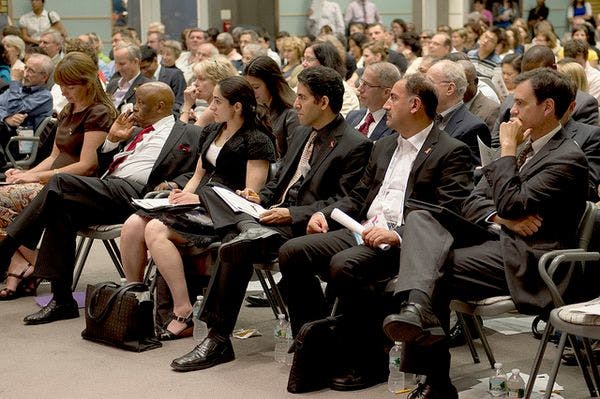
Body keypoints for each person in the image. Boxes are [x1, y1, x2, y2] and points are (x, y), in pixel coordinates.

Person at [383, 67, 589, 399]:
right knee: (422, 215)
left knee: (435, 268)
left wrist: (506, 152)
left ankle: (433, 376)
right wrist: (501, 217)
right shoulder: (526, 146)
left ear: (548, 107)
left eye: (521, 104)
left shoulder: (567, 158)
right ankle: (417, 311)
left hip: (533, 260)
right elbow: (473, 199)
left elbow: (511, 202)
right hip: (500, 239)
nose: (513, 111)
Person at [169, 66, 372, 372]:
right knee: (213, 191)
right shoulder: (303, 132)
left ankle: (217, 338)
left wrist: (292, 213)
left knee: (234, 245)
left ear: (324, 102)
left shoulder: (354, 144)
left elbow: (344, 203)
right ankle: (248, 228)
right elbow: (281, 183)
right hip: (268, 216)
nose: (296, 104)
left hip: (303, 226)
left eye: (302, 98)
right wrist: (257, 197)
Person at [278, 73, 474, 391]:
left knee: (345, 264)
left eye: (393, 98)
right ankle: (320, 342)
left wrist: (398, 234)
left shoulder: (450, 151)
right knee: (293, 250)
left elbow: (447, 213)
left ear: (415, 104)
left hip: (404, 241)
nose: (386, 103)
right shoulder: (383, 145)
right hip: (363, 228)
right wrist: (324, 215)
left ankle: (370, 360)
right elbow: (358, 197)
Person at [0, 81, 204, 324]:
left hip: (139, 194)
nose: (134, 108)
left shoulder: (189, 132)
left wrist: (173, 184)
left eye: (140, 103)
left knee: (61, 182)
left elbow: (198, 171)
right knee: (60, 208)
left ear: (160, 105)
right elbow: (104, 167)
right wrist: (112, 140)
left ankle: (6, 248)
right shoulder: (134, 130)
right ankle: (62, 299)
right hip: (109, 189)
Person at [120, 76, 276, 339]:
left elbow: (250, 196)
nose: (210, 106)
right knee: (133, 224)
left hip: (227, 212)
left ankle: (184, 310)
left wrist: (199, 199)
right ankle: (137, 300)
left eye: (217, 101)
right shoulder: (212, 131)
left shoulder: (256, 140)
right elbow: (197, 176)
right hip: (199, 203)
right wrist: (182, 196)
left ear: (237, 106)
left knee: (156, 230)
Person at [0, 52, 117, 300]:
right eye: (61, 85)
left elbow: (87, 166)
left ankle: (25, 263)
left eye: (69, 86)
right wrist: (25, 173)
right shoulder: (69, 110)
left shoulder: (98, 113)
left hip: (74, 187)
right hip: (52, 179)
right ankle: (21, 264)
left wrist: (34, 178)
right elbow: (54, 155)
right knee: (6, 192)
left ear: (87, 83)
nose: (63, 91)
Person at [426, 59, 490, 164]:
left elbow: (466, 176)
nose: (424, 87)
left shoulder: (473, 128)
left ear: (450, 89)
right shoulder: (426, 115)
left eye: (429, 82)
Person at [243, 56, 299, 158]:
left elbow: (293, 158)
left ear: (272, 84)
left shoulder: (292, 113)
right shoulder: (257, 108)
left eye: (256, 87)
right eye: (249, 87)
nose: (251, 92)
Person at [0, 53, 53, 150]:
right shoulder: (20, 88)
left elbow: (14, 109)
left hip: (19, 144)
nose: (25, 74)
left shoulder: (45, 97)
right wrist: (5, 118)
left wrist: (15, 81)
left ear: (44, 77)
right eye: (25, 68)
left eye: (31, 71)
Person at [302, 41, 360, 117]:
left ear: (324, 62)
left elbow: (340, 124)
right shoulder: (306, 85)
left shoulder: (344, 92)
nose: (303, 64)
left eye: (309, 59)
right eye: (303, 59)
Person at [178, 56, 238, 128]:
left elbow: (181, 135)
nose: (195, 83)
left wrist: (187, 106)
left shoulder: (214, 109)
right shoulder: (222, 103)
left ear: (217, 82)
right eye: (196, 78)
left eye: (201, 79)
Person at [346, 61, 400, 140]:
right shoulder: (352, 116)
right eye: (361, 82)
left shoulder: (395, 128)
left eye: (366, 84)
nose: (359, 89)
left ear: (386, 92)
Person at [139, 45, 186, 114]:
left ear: (155, 60)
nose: (143, 71)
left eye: (145, 67)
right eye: (140, 68)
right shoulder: (139, 78)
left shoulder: (175, 75)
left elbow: (180, 103)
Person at [106, 43, 152, 111]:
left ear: (136, 62)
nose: (117, 69)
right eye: (116, 63)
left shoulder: (148, 87)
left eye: (122, 64)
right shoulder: (112, 84)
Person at [459, 60, 500, 132]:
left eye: (464, 83)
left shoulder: (492, 110)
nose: (459, 88)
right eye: (456, 83)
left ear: (476, 82)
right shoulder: (451, 101)